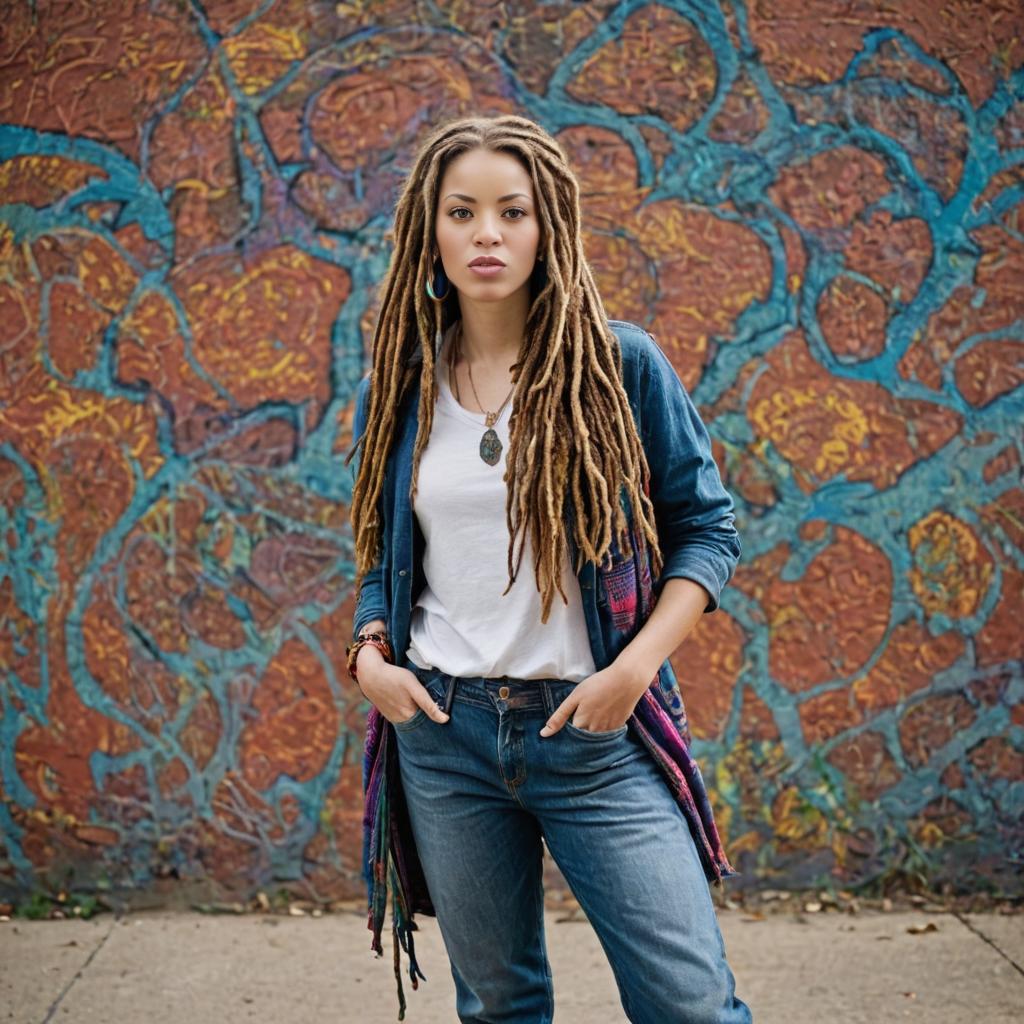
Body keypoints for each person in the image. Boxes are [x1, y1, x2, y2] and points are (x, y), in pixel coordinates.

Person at [344, 114, 753, 1024]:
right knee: (498, 1006)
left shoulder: (618, 367)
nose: (487, 233)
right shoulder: (403, 384)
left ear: (549, 227)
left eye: (512, 211)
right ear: (430, 230)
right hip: (444, 736)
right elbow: (384, 552)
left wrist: (634, 669)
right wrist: (372, 655)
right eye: (463, 212)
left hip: (597, 731)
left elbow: (707, 528)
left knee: (689, 1005)